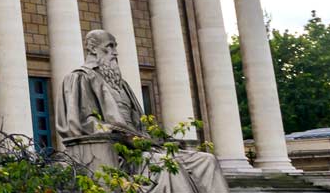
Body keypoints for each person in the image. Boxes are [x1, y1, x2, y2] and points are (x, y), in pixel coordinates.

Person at [58, 30, 229, 192]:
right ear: (92, 48)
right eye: (109, 46)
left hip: (145, 147)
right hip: (117, 152)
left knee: (206, 160)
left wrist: (157, 139)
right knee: (167, 165)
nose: (115, 52)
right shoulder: (80, 78)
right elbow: (82, 122)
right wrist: (119, 133)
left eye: (115, 46)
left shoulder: (121, 84)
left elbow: (140, 123)